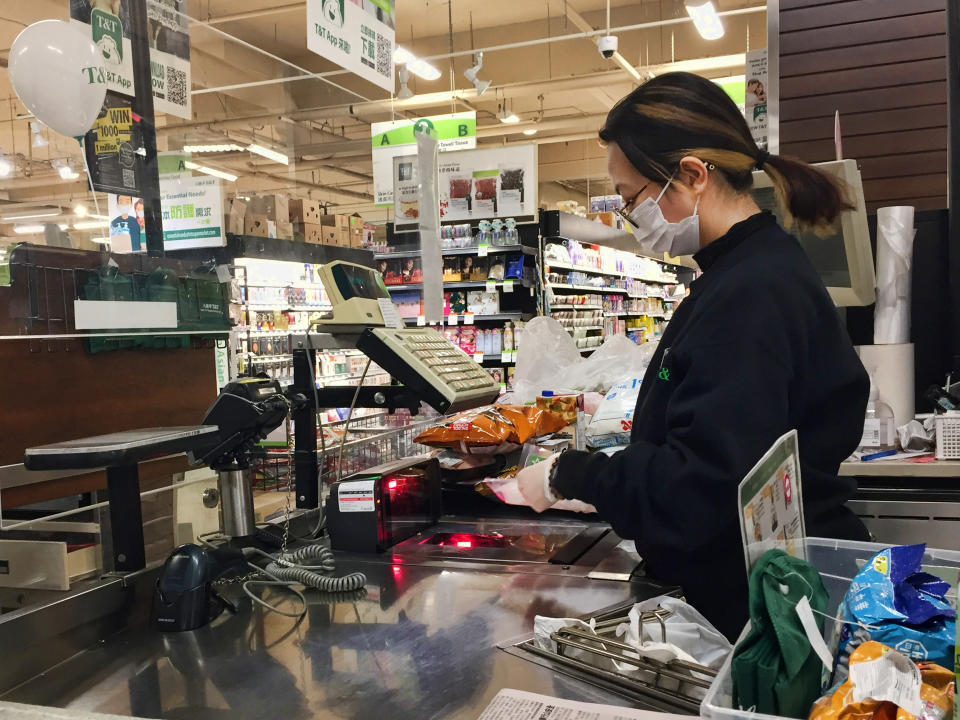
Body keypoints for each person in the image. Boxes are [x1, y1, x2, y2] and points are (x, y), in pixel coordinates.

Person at [517, 72, 870, 641]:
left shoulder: (749, 293)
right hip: (763, 584)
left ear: (692, 175)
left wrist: (573, 474)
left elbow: (703, 488)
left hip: (749, 608)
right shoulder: (745, 271)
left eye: (633, 198)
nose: (633, 218)